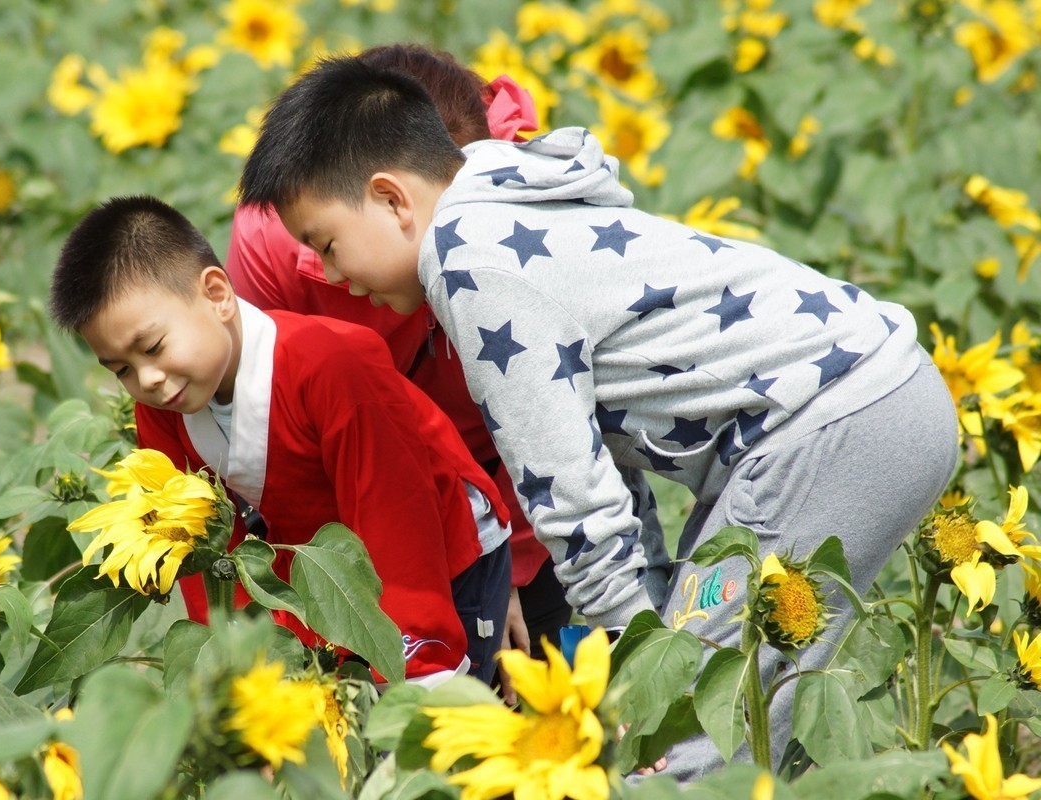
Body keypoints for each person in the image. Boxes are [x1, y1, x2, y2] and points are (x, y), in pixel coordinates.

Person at [236, 56, 959, 778]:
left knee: (687, 733)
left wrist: (629, 671)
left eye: (328, 245)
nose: (329, 277)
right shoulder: (505, 202)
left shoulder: (468, 263)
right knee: (729, 701)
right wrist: (644, 627)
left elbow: (570, 493)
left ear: (393, 199)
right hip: (854, 404)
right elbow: (605, 462)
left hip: (832, 422)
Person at [48, 194, 513, 687]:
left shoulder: (334, 365)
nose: (149, 379)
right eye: (122, 370)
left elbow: (396, 519)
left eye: (154, 348)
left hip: (439, 546)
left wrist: (412, 672)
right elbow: (200, 547)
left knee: (439, 717)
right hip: (319, 553)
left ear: (217, 294)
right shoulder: (164, 406)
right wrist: (240, 667)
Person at [225, 44, 571, 679]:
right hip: (361, 488)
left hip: (524, 486)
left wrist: (513, 563)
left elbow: (547, 417)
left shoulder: (500, 213)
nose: (332, 271)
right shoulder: (284, 233)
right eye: (321, 249)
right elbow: (274, 420)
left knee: (551, 663)